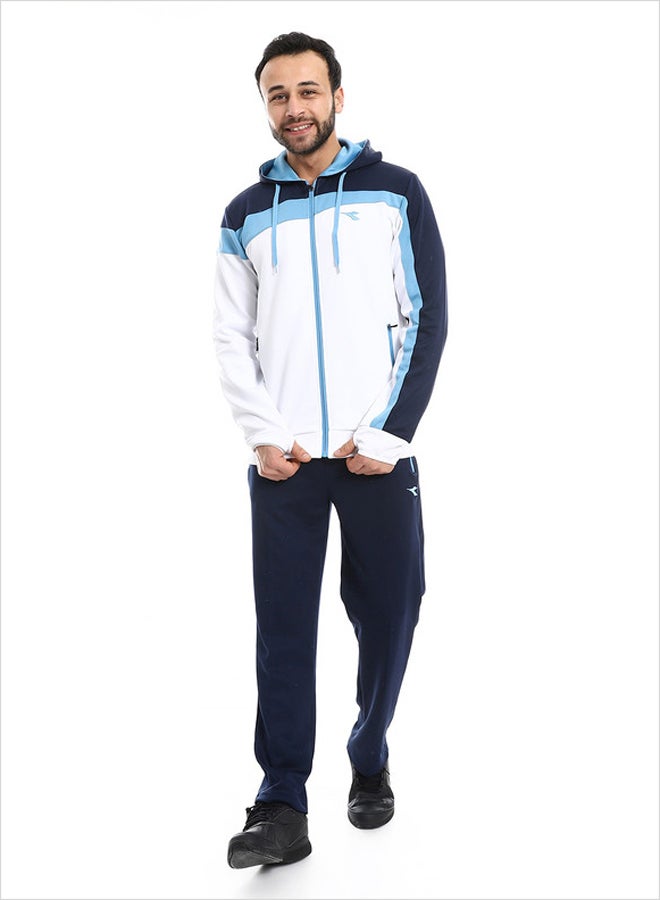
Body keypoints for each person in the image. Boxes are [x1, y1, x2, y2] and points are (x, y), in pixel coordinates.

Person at [213, 31, 448, 869]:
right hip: (285, 463)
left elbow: (426, 317)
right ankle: (281, 800)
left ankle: (369, 748)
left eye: (308, 91)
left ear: (337, 97)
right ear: (266, 106)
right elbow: (230, 334)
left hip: (374, 453)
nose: (294, 108)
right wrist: (263, 434)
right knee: (282, 628)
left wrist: (388, 433)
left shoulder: (396, 192)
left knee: (391, 611)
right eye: (278, 95)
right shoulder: (245, 213)